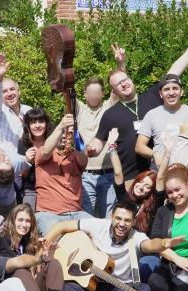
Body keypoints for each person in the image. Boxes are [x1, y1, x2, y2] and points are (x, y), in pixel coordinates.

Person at [43, 202, 184, 291]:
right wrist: (43, 248)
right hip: (92, 289)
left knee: (143, 288)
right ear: (111, 216)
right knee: (70, 286)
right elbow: (61, 226)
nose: (122, 224)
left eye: (127, 220)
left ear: (134, 221)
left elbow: (150, 245)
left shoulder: (136, 237)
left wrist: (163, 243)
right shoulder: (98, 225)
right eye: (118, 218)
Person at [86, 32, 188, 190]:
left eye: (125, 80)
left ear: (131, 80)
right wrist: (91, 149)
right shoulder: (110, 114)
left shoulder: (152, 97)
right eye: (119, 84)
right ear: (114, 90)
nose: (124, 84)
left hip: (159, 172)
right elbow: (99, 142)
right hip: (131, 180)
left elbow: (174, 72)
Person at [0, 204, 69, 291]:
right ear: (12, 220)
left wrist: (48, 255)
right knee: (20, 271)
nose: (24, 224)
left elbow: (34, 277)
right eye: (20, 220)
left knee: (53, 263)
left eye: (28, 221)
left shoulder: (27, 243)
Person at [79, 45, 126, 218]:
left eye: (97, 92)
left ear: (103, 93)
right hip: (85, 175)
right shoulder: (79, 109)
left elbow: (120, 87)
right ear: (84, 94)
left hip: (108, 174)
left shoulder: (108, 106)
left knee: (109, 219)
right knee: (86, 219)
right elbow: (66, 92)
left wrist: (120, 64)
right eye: (90, 92)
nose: (93, 96)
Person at [34, 114, 93, 235]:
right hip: (49, 214)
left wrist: (76, 135)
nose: (64, 136)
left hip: (77, 213)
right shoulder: (43, 153)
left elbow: (83, 157)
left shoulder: (76, 155)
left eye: (68, 134)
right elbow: (46, 150)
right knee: (59, 242)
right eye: (62, 133)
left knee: (99, 233)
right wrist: (61, 126)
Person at [110, 140, 160, 234]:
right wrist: (112, 146)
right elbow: (118, 173)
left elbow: (161, 180)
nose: (141, 187)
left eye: (147, 186)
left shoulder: (152, 207)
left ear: (151, 192)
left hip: (142, 245)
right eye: (140, 182)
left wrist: (166, 155)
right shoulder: (124, 199)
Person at [0, 52, 33, 154]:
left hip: (25, 163)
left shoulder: (28, 110)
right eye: (4, 91)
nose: (9, 93)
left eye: (12, 89)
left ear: (18, 92)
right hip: (2, 165)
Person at [17, 108, 50, 209]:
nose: (37, 125)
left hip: (51, 186)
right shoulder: (23, 143)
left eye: (41, 121)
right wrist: (27, 161)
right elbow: (23, 174)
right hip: (31, 188)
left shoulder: (52, 140)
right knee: (28, 212)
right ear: (28, 126)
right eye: (33, 122)